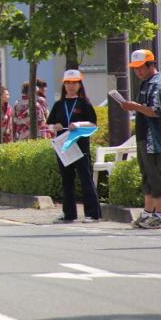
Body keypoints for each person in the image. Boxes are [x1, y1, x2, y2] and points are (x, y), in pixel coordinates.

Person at [121, 50, 161, 229]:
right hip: (144, 137)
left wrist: (135, 106)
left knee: (158, 176)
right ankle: (148, 213)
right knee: (147, 176)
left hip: (156, 139)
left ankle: (160, 215)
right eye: (135, 68)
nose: (138, 72)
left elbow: (156, 110)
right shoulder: (146, 84)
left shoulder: (158, 84)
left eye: (141, 67)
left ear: (151, 64)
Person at [47, 70, 101, 223]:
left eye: (74, 83)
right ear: (64, 85)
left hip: (80, 146)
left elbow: (93, 124)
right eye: (68, 83)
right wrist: (55, 127)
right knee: (67, 180)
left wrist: (78, 124)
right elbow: (50, 125)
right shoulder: (59, 104)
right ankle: (69, 213)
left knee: (86, 178)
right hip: (63, 146)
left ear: (80, 85)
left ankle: (93, 213)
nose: (71, 86)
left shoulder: (84, 103)